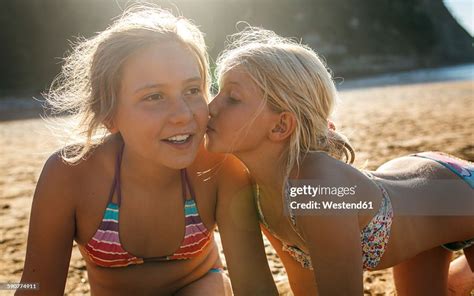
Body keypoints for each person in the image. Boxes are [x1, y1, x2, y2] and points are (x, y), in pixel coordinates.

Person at [17, 7, 277, 296]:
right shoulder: (70, 173)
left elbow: (254, 286)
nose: (182, 115)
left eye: (192, 90)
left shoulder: (220, 167)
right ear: (109, 114)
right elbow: (36, 287)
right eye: (154, 96)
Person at [206, 27, 474, 295]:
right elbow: (305, 285)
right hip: (425, 210)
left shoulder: (318, 188)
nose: (210, 107)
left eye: (232, 98)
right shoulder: (260, 190)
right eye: (217, 91)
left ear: (280, 126)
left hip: (460, 197)